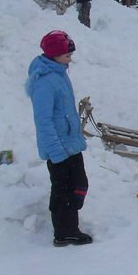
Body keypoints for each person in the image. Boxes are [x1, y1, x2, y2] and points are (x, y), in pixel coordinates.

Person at [26, 31, 92, 247]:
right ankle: (65, 232)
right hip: (59, 148)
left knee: (78, 185)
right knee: (63, 190)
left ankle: (68, 225)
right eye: (66, 55)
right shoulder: (44, 81)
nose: (70, 59)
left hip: (69, 144)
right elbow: (43, 121)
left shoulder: (59, 73)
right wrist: (56, 152)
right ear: (54, 55)